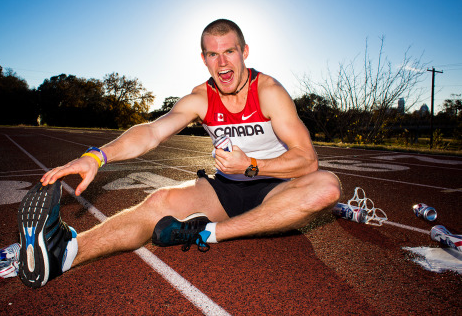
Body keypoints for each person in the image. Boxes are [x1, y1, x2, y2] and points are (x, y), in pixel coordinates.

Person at [17, 19, 342, 288]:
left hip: (277, 185)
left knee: (326, 187)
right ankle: (65, 252)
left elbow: (306, 159)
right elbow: (152, 131)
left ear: (244, 52)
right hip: (226, 189)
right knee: (157, 203)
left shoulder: (268, 91)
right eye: (213, 54)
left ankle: (207, 232)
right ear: (204, 59)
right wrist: (96, 156)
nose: (223, 62)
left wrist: (252, 166)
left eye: (229, 51)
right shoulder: (201, 98)